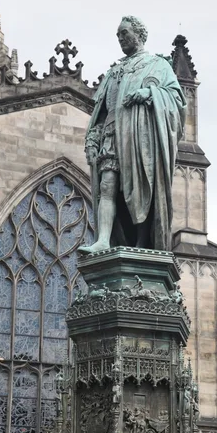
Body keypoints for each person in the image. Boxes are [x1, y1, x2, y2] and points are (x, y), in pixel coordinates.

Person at [79, 16, 186, 254]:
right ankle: (104, 240)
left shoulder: (157, 65)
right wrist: (91, 140)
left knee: (142, 189)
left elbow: (177, 100)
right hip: (112, 135)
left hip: (139, 138)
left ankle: (141, 244)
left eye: (124, 33)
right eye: (117, 35)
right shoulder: (114, 71)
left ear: (139, 34)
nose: (120, 39)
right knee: (106, 186)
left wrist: (149, 93)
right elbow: (100, 111)